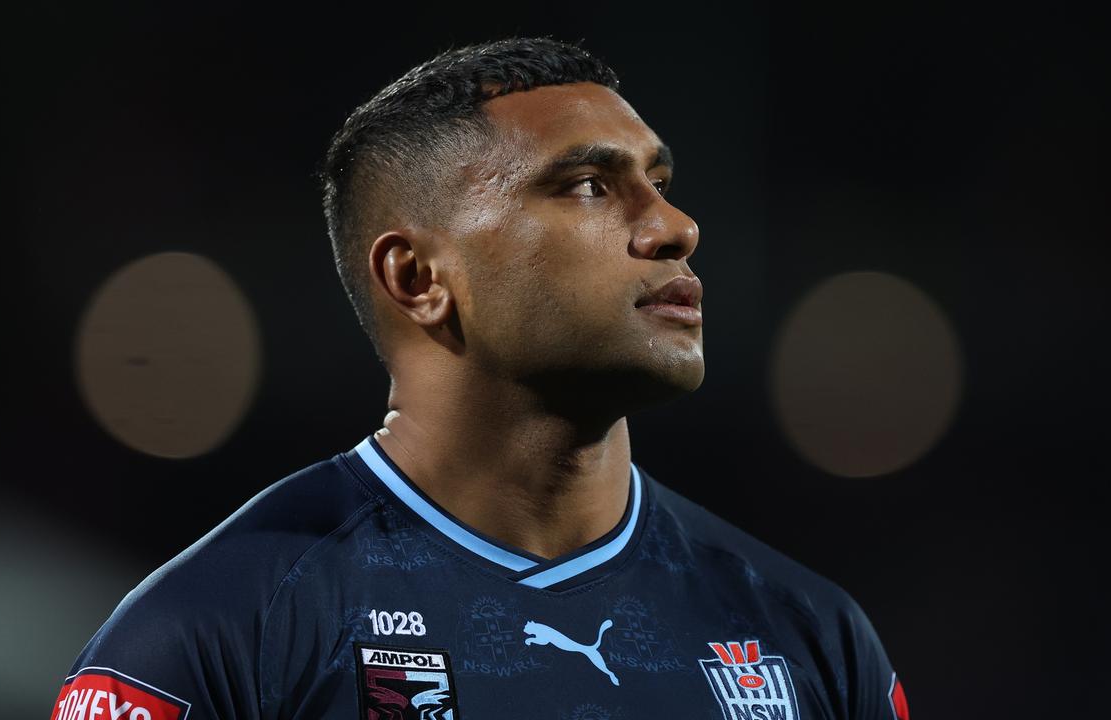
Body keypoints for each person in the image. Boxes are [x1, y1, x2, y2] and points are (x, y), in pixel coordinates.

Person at [49, 36, 910, 720]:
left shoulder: (805, 637)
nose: (674, 226)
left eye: (659, 182)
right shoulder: (219, 630)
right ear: (419, 279)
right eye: (586, 186)